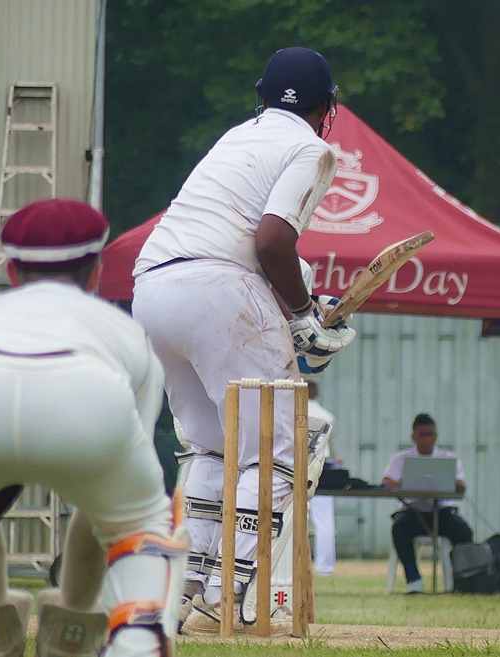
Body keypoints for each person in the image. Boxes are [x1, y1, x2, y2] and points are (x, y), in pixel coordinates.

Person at [129, 47, 356, 633]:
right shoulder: (311, 147)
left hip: (153, 289)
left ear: (260, 94)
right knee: (278, 449)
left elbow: (247, 245)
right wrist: (304, 319)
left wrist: (305, 302)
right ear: (327, 107)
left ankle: (187, 594)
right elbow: (272, 241)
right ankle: (225, 598)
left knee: (211, 447)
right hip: (217, 290)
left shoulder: (236, 138)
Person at [0, 198, 185, 657]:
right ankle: (122, 634)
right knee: (136, 520)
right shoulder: (124, 329)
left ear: (12, 274)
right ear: (95, 272)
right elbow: (104, 500)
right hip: (87, 392)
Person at [381, 414, 473, 593]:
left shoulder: (449, 458)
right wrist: (403, 483)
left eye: (429, 434)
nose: (426, 439)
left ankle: (462, 580)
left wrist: (448, 482)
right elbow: (386, 482)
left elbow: (462, 485)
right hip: (412, 512)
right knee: (398, 529)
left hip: (442, 512)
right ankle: (414, 581)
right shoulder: (400, 458)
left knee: (464, 531)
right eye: (421, 435)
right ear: (413, 437)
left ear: (436, 436)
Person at [306, 380, 338, 576]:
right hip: (321, 465)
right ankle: (325, 567)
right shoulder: (327, 416)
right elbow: (329, 448)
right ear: (317, 394)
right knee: (324, 519)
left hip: (294, 465)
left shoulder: (290, 412)